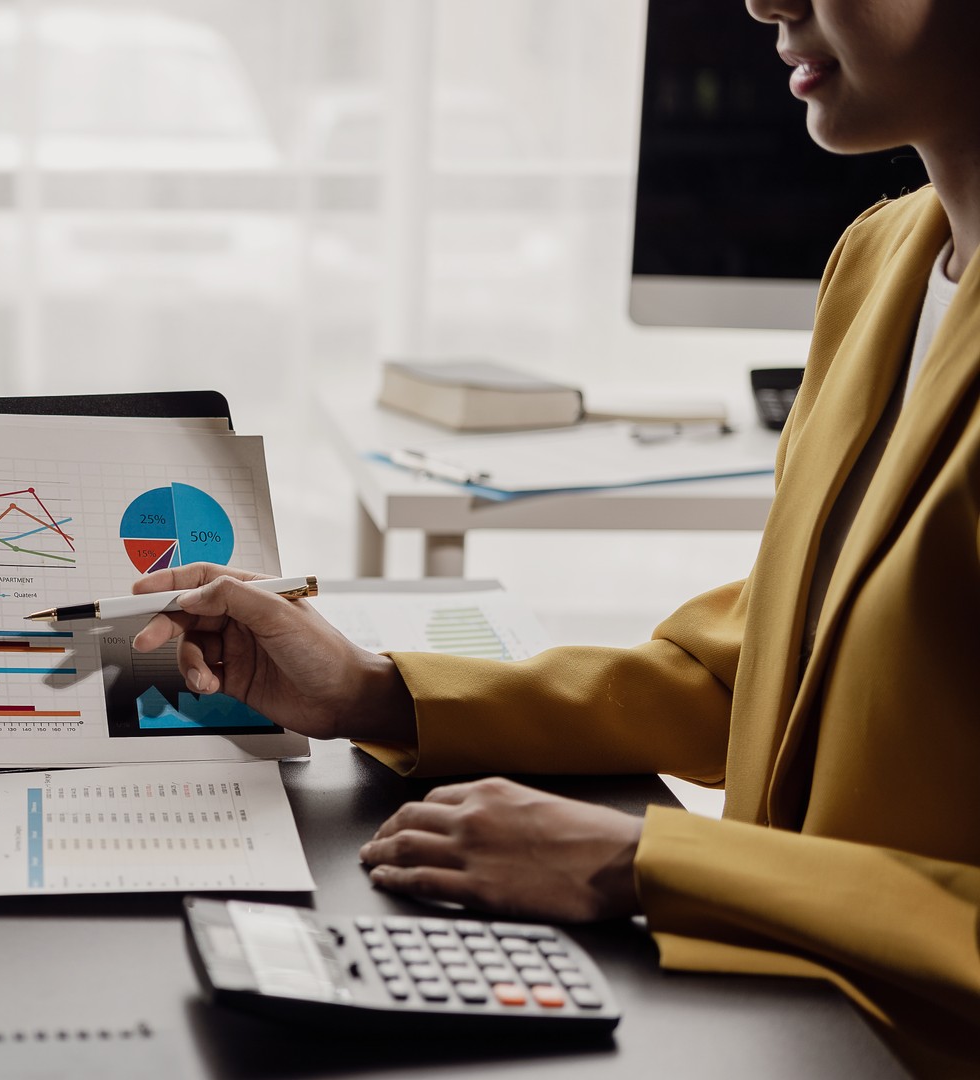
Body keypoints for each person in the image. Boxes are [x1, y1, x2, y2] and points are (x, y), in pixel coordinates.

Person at [133, 0, 977, 1071]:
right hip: (795, 1020)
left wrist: (649, 863)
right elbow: (767, 675)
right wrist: (371, 691)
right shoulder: (885, 258)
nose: (765, 2)